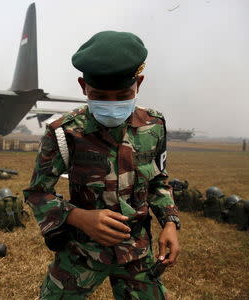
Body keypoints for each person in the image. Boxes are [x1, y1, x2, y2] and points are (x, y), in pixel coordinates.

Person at [23, 31, 180, 299]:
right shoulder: (65, 132)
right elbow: (38, 193)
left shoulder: (154, 126)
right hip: (81, 253)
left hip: (136, 253)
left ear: (138, 84)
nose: (111, 105)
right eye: (99, 96)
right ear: (83, 86)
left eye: (122, 95)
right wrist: (80, 217)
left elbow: (158, 180)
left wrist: (170, 223)